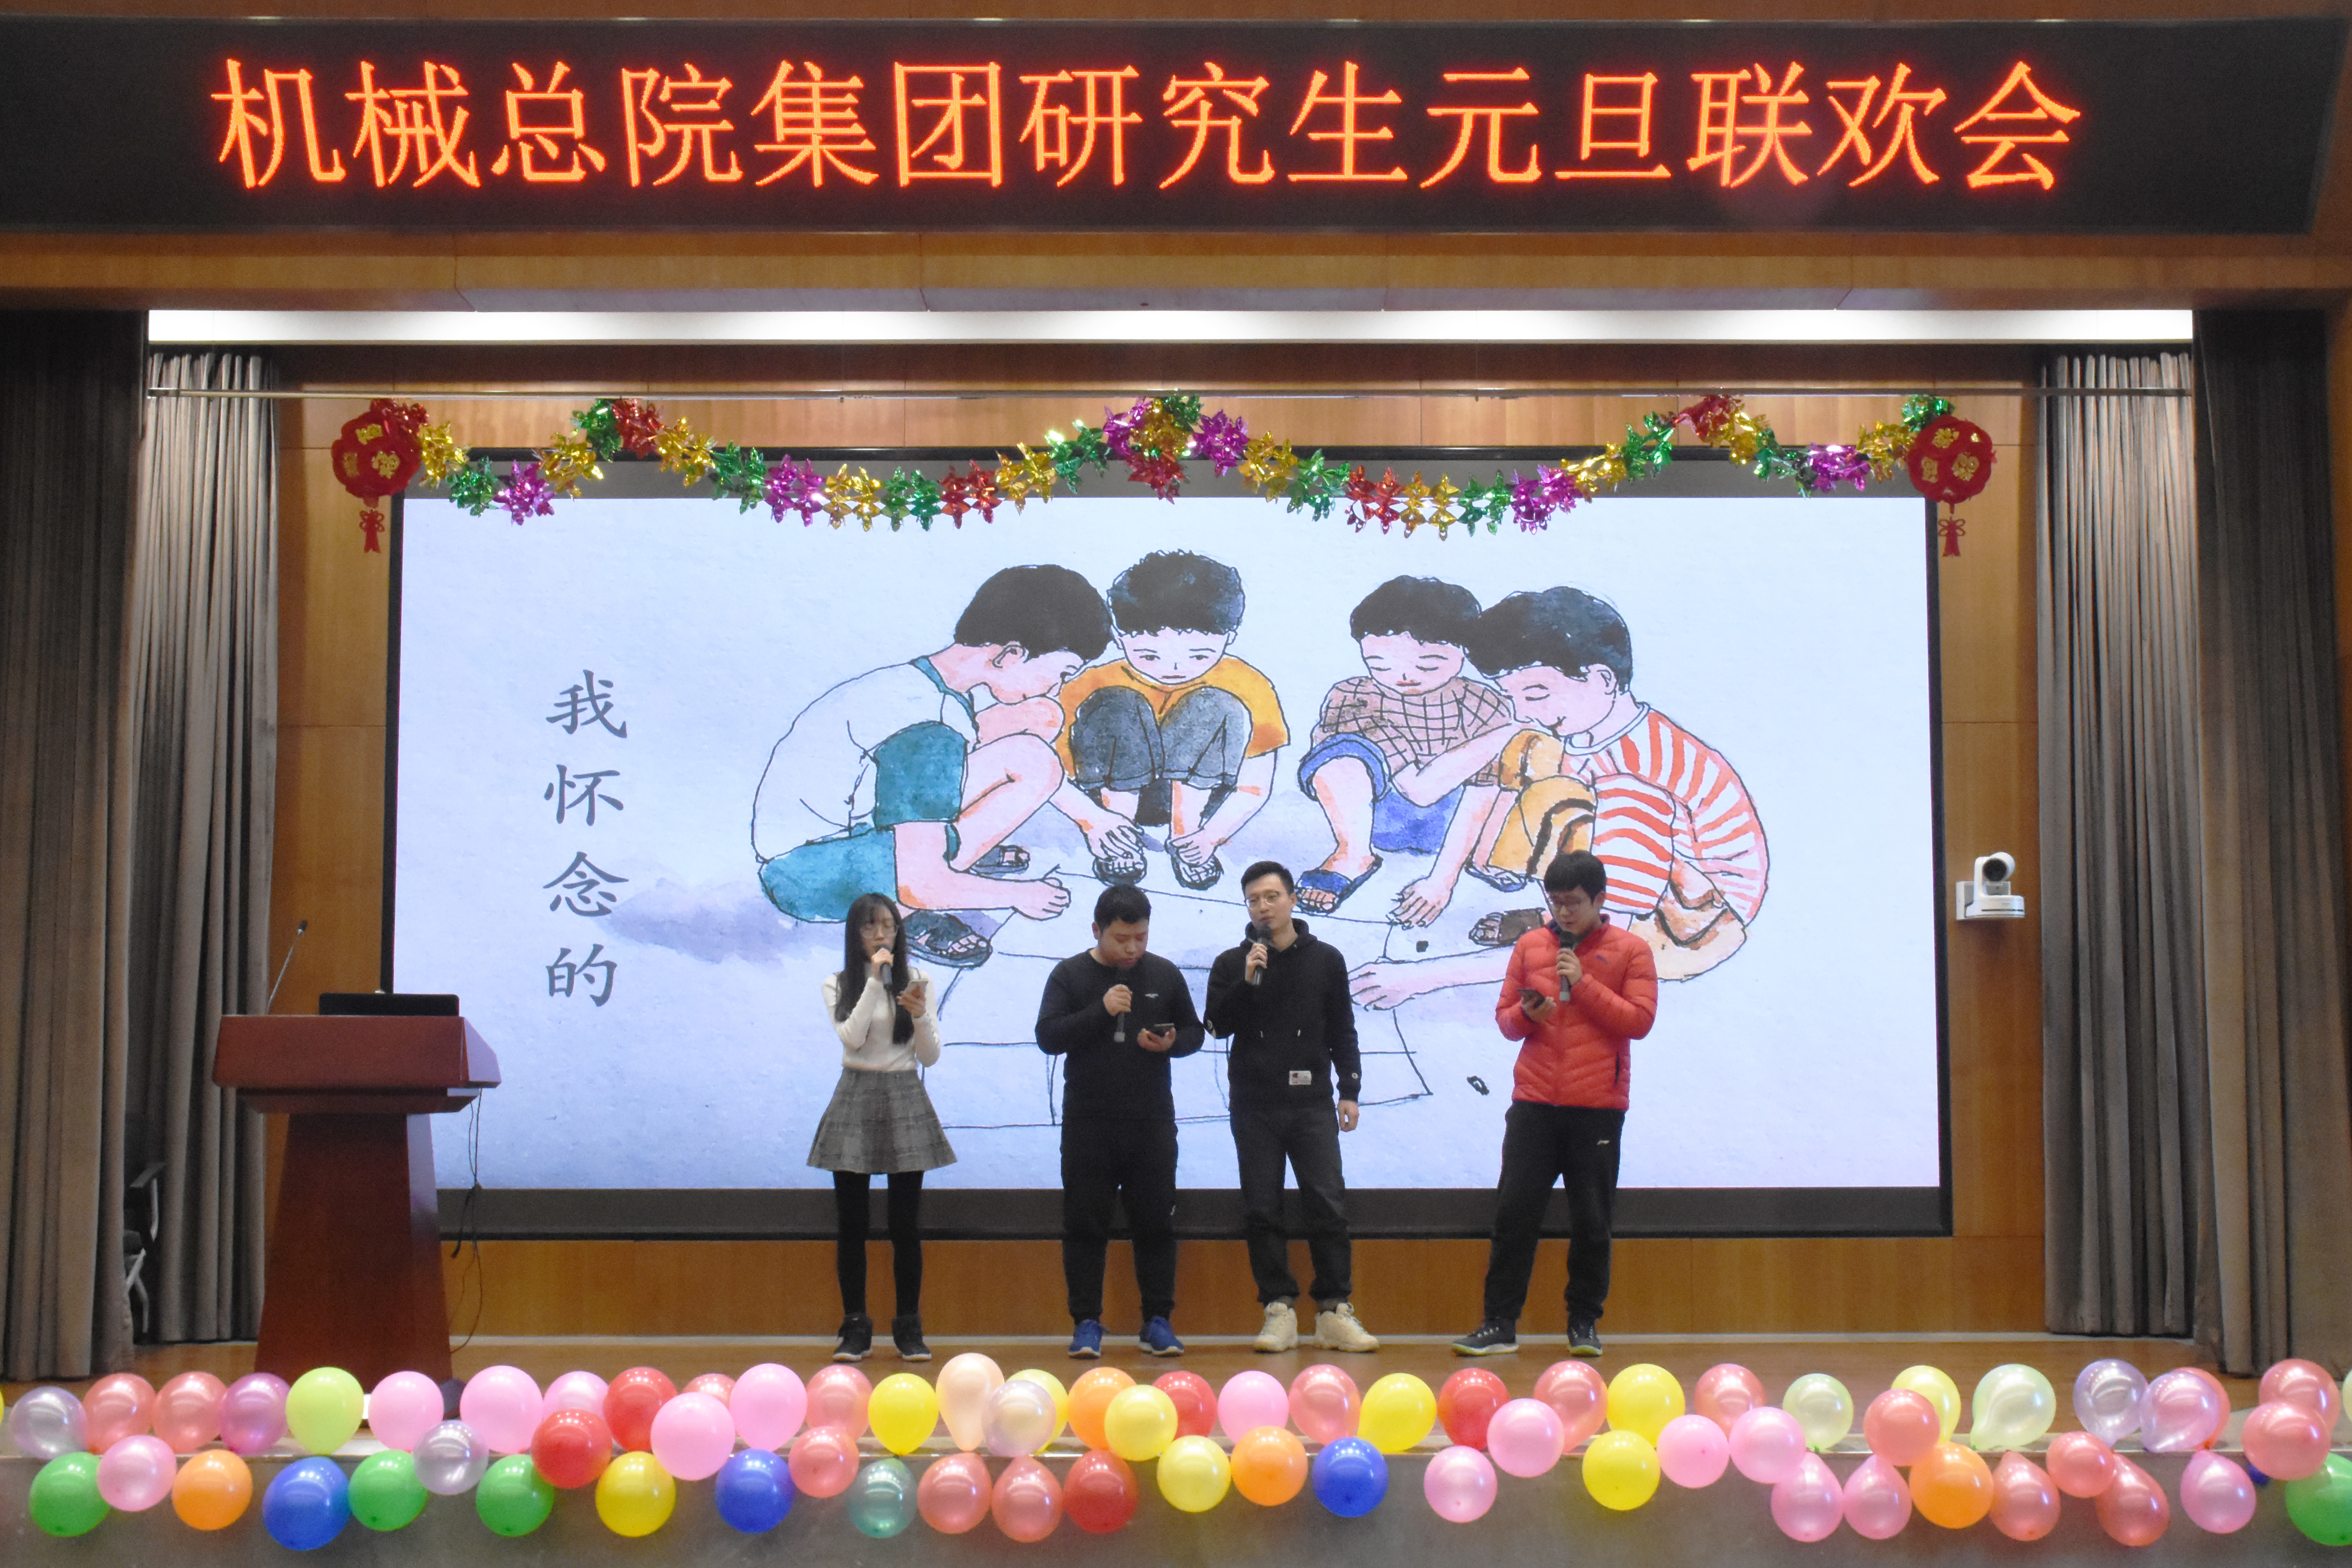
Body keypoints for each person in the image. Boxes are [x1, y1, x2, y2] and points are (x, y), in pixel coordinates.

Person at [1342, 585, 1768, 1011]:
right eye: (1511, 698)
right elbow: (1464, 784)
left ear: (1602, 679)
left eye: (1536, 695)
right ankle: (1552, 917)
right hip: (1661, 892)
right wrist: (1442, 881)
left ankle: (1560, 923)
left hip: (1693, 928)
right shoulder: (1591, 733)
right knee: (1527, 750)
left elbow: (1602, 942)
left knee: (1557, 786)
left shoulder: (1637, 778)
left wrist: (1419, 977)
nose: (1524, 711)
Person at [754, 564, 1114, 970]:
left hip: (828, 836)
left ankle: (942, 846)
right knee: (1036, 765)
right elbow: (921, 885)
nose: (1057, 686)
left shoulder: (926, 683)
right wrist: (1021, 896)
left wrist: (1092, 819)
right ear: (1011, 654)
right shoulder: (929, 729)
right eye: (1062, 673)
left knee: (1039, 723)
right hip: (810, 875)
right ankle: (904, 914)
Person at [1454, 850, 1658, 1359]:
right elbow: (1506, 1022)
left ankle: (1583, 1324)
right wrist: (1530, 1016)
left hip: (1598, 1107)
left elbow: (1639, 1022)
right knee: (1514, 1216)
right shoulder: (1530, 945)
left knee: (1592, 1221)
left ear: (1600, 899)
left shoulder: (1632, 950)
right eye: (1556, 902)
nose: (1563, 913)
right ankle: (1499, 1324)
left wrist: (1582, 984)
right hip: (1534, 1103)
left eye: (1574, 903)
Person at [1204, 861, 1378, 1353]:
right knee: (1262, 1208)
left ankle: (1334, 1311)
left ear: (1292, 899)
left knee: (1327, 1203)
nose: (1263, 907)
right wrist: (1247, 980)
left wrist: (1350, 1089)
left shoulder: (1325, 959)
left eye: (1271, 897)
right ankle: (1278, 1309)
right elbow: (1216, 1026)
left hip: (1311, 1104)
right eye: (1253, 900)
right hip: (1254, 1105)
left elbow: (1342, 1027)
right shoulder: (1233, 962)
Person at [1035, 884, 1204, 1359]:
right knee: (1085, 1225)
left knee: (1155, 1224)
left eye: (1141, 938)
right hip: (1088, 1122)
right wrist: (1101, 1011)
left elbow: (1193, 1032)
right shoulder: (1069, 974)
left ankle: (1158, 1321)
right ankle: (1086, 1322)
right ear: (1097, 930)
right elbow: (1048, 1036)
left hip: (1151, 1122)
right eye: (1122, 939)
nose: (1132, 949)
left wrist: (1172, 1044)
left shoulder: (1164, 973)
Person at [1056, 551, 1288, 891]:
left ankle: (1185, 838)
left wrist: (1210, 837)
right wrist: (1094, 821)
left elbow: (1254, 786)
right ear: (1119, 638)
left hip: (1203, 796)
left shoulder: (1246, 684)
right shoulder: (1091, 684)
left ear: (1229, 638)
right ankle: (1121, 838)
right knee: (1115, 703)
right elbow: (1047, 770)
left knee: (1213, 703)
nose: (1175, 669)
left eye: (1199, 655)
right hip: (1110, 795)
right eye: (1150, 655)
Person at [1295, 575, 1518, 919]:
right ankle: (1352, 856)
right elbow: (1420, 790)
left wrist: (1442, 881)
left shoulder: (1484, 702)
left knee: (1520, 765)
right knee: (1342, 755)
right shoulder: (1356, 695)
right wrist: (1509, 731)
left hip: (1462, 821)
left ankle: (1484, 855)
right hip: (1378, 814)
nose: (1403, 676)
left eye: (1428, 664)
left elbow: (1485, 791)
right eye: (1380, 665)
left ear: (1464, 652)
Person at [811, 893, 954, 1363]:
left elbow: (930, 1056)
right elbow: (851, 1038)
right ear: (855, 934)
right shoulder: (837, 983)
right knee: (852, 1224)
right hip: (855, 1093)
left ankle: (909, 1327)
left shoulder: (919, 979)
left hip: (903, 1093)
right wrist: (875, 982)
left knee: (904, 1225)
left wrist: (919, 1014)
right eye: (870, 927)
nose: (880, 935)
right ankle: (855, 1327)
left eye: (888, 926)